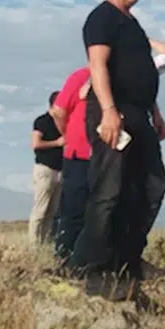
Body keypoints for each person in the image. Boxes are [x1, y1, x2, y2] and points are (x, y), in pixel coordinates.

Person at [70, 0, 165, 300]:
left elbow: (141, 70)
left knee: (151, 187)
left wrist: (154, 112)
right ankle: (89, 267)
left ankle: (126, 261)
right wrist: (109, 111)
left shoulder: (133, 25)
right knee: (108, 190)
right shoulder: (102, 18)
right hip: (113, 111)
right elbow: (97, 65)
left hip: (140, 114)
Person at [51, 68, 93, 263]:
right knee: (73, 211)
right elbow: (58, 110)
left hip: (105, 157)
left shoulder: (119, 76)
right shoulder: (80, 77)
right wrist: (69, 134)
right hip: (79, 154)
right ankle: (64, 257)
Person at [29, 92, 65, 246]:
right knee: (40, 210)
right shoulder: (42, 121)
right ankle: (34, 244)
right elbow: (36, 143)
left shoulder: (64, 124)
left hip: (60, 170)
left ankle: (46, 243)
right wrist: (56, 143)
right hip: (45, 169)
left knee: (52, 212)